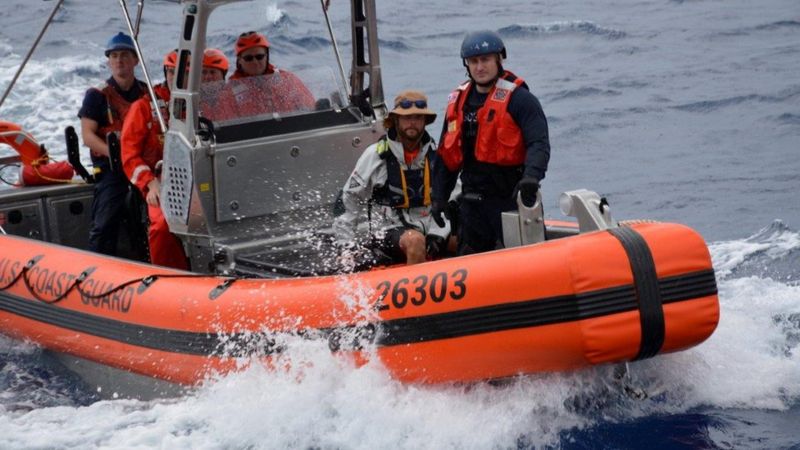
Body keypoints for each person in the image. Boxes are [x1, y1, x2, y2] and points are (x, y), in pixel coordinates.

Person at [431, 30, 550, 255]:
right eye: (473, 61)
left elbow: (539, 143)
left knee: (525, 261)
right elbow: (446, 154)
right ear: (466, 65)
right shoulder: (458, 102)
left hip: (510, 199)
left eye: (485, 60)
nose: (479, 67)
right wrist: (439, 197)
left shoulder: (521, 100)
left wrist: (532, 177)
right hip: (472, 203)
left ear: (499, 60)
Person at [334, 90, 450, 266]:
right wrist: (346, 246)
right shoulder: (375, 155)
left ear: (425, 122)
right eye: (406, 118)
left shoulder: (436, 155)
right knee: (415, 241)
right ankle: (415, 290)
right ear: (396, 121)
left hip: (430, 226)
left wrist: (438, 234)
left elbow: (451, 200)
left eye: (418, 118)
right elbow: (349, 200)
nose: (412, 123)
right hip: (388, 230)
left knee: (467, 237)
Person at [78, 32, 147, 255]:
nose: (119, 60)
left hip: (143, 167)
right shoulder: (97, 95)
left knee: (149, 221)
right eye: (114, 55)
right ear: (108, 61)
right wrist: (118, 155)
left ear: (135, 60)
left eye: (125, 55)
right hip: (111, 169)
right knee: (104, 223)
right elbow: (88, 136)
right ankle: (97, 268)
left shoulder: (147, 94)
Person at [120, 50, 188, 270]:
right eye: (172, 72)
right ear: (166, 73)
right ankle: (170, 277)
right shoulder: (144, 108)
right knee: (161, 226)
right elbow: (129, 155)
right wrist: (150, 183)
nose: (177, 78)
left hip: (201, 176)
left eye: (184, 73)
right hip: (161, 180)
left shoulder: (204, 104)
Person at [222, 31, 315, 117]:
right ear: (239, 61)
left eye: (259, 57)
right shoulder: (229, 91)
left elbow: (310, 107)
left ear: (267, 57)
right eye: (248, 58)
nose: (255, 62)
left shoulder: (287, 79)